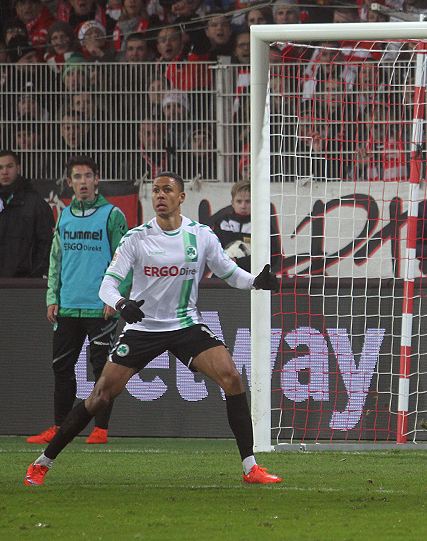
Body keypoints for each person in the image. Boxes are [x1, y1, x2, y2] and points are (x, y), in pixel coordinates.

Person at [25, 172, 282, 486]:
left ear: (181, 197)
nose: (160, 195)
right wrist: (121, 303)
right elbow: (107, 285)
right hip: (143, 328)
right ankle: (42, 462)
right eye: (156, 190)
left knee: (232, 377)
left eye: (167, 190)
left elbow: (229, 272)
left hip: (185, 324)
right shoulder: (136, 238)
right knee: (100, 396)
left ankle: (250, 468)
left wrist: (255, 281)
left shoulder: (200, 235)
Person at [29, 156, 128, 446]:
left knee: (103, 371)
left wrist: (116, 298)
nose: (82, 182)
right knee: (62, 368)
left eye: (87, 176)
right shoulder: (64, 216)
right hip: (68, 306)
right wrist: (52, 297)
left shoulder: (113, 215)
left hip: (101, 308)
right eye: (77, 177)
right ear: (69, 182)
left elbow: (126, 260)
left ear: (96, 179)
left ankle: (101, 430)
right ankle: (59, 427)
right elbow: (56, 259)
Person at [0, 149, 54, 278]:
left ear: (18, 169)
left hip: (23, 282)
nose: (4, 172)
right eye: (0, 168)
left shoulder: (35, 203)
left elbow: (46, 242)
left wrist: (34, 274)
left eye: (9, 166)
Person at [204, 179, 281, 272]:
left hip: (254, 274)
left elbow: (273, 256)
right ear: (233, 203)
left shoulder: (262, 225)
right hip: (225, 273)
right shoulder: (223, 222)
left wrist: (239, 262)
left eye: (248, 201)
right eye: (239, 201)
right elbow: (212, 250)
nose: (243, 206)